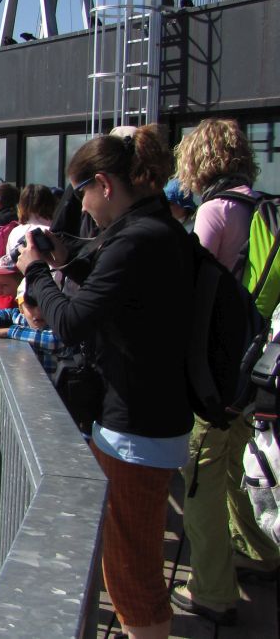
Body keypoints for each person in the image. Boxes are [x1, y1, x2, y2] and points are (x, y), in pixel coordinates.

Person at [17, 124, 193, 639]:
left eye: (83, 194)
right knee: (130, 560)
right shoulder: (157, 230)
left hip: (136, 425)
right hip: (150, 416)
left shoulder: (139, 239)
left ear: (104, 183)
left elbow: (72, 322)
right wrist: (66, 264)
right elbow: (120, 304)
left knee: (132, 572)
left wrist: (36, 274)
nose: (83, 208)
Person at [172, 118, 280, 625]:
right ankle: (259, 552)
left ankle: (214, 591)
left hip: (217, 372)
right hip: (256, 366)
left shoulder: (215, 211)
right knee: (233, 468)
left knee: (200, 480)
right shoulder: (264, 209)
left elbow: (190, 289)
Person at [0, 283, 65, 571]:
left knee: (25, 484)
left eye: (44, 304)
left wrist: (9, 332)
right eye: (31, 303)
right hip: (25, 418)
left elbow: (56, 341)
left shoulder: (56, 329)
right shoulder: (21, 316)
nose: (38, 311)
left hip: (53, 423)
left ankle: (9, 549)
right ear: (22, 303)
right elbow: (4, 312)